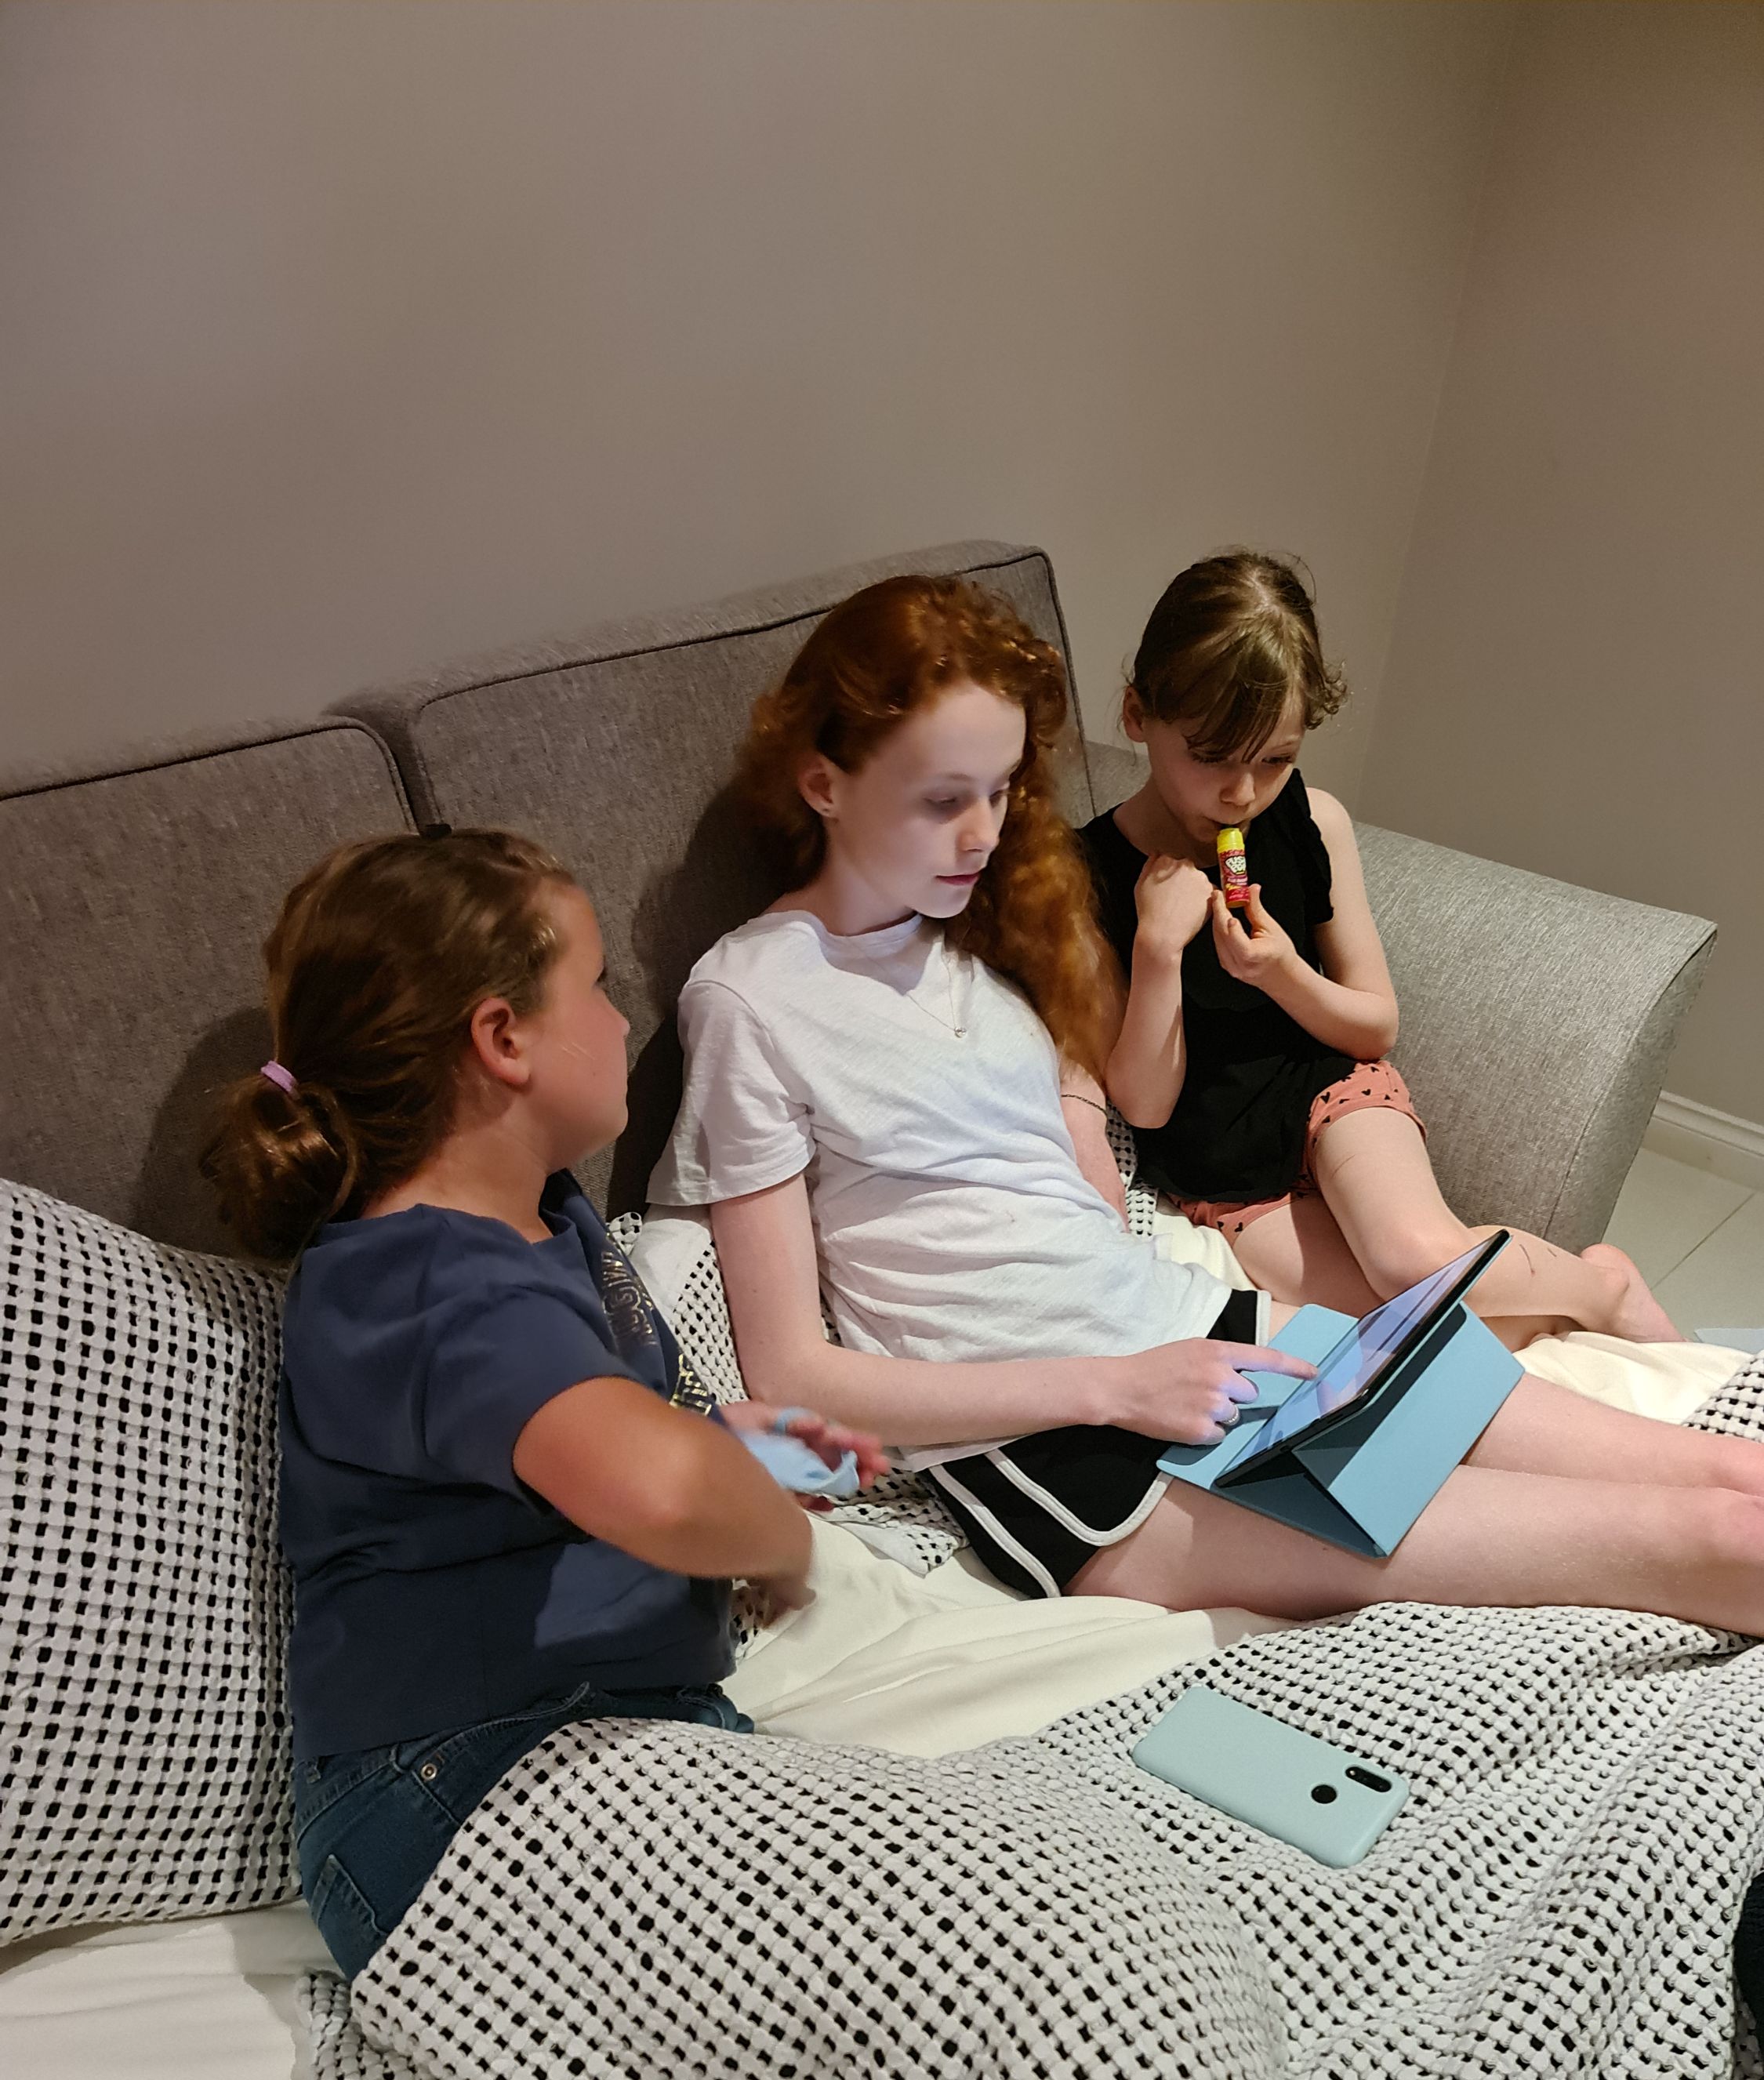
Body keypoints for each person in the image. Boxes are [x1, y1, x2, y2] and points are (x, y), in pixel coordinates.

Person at [650, 573, 1764, 1627]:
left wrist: (1103, 1179)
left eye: (1000, 791)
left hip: (1202, 1332)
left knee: (1725, 1477)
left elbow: (1086, 1129)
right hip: (1063, 1448)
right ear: (823, 783)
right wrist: (1113, 1387)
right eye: (943, 800)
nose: (983, 834)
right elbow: (791, 1374)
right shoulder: (754, 999)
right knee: (1711, 1541)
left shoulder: (991, 929)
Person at [200, 828, 883, 1978]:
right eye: (598, 984)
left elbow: (573, 1449)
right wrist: (775, 1539)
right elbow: (656, 1492)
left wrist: (732, 1441)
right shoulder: (424, 1280)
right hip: (455, 1785)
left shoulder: (547, 1219)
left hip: (594, 1734)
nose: (622, 1021)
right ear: (502, 1038)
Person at [1082, 549, 1678, 1349]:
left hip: (1330, 1093)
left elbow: (1374, 1029)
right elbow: (1146, 1107)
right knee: (1397, 1332)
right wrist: (1157, 948)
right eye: (1211, 755)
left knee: (1411, 1263)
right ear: (1136, 715)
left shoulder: (1313, 822)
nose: (1241, 793)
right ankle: (1566, 1308)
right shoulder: (1083, 876)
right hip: (1218, 1169)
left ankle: (1605, 1288)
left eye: (1275, 759)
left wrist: (1283, 974)